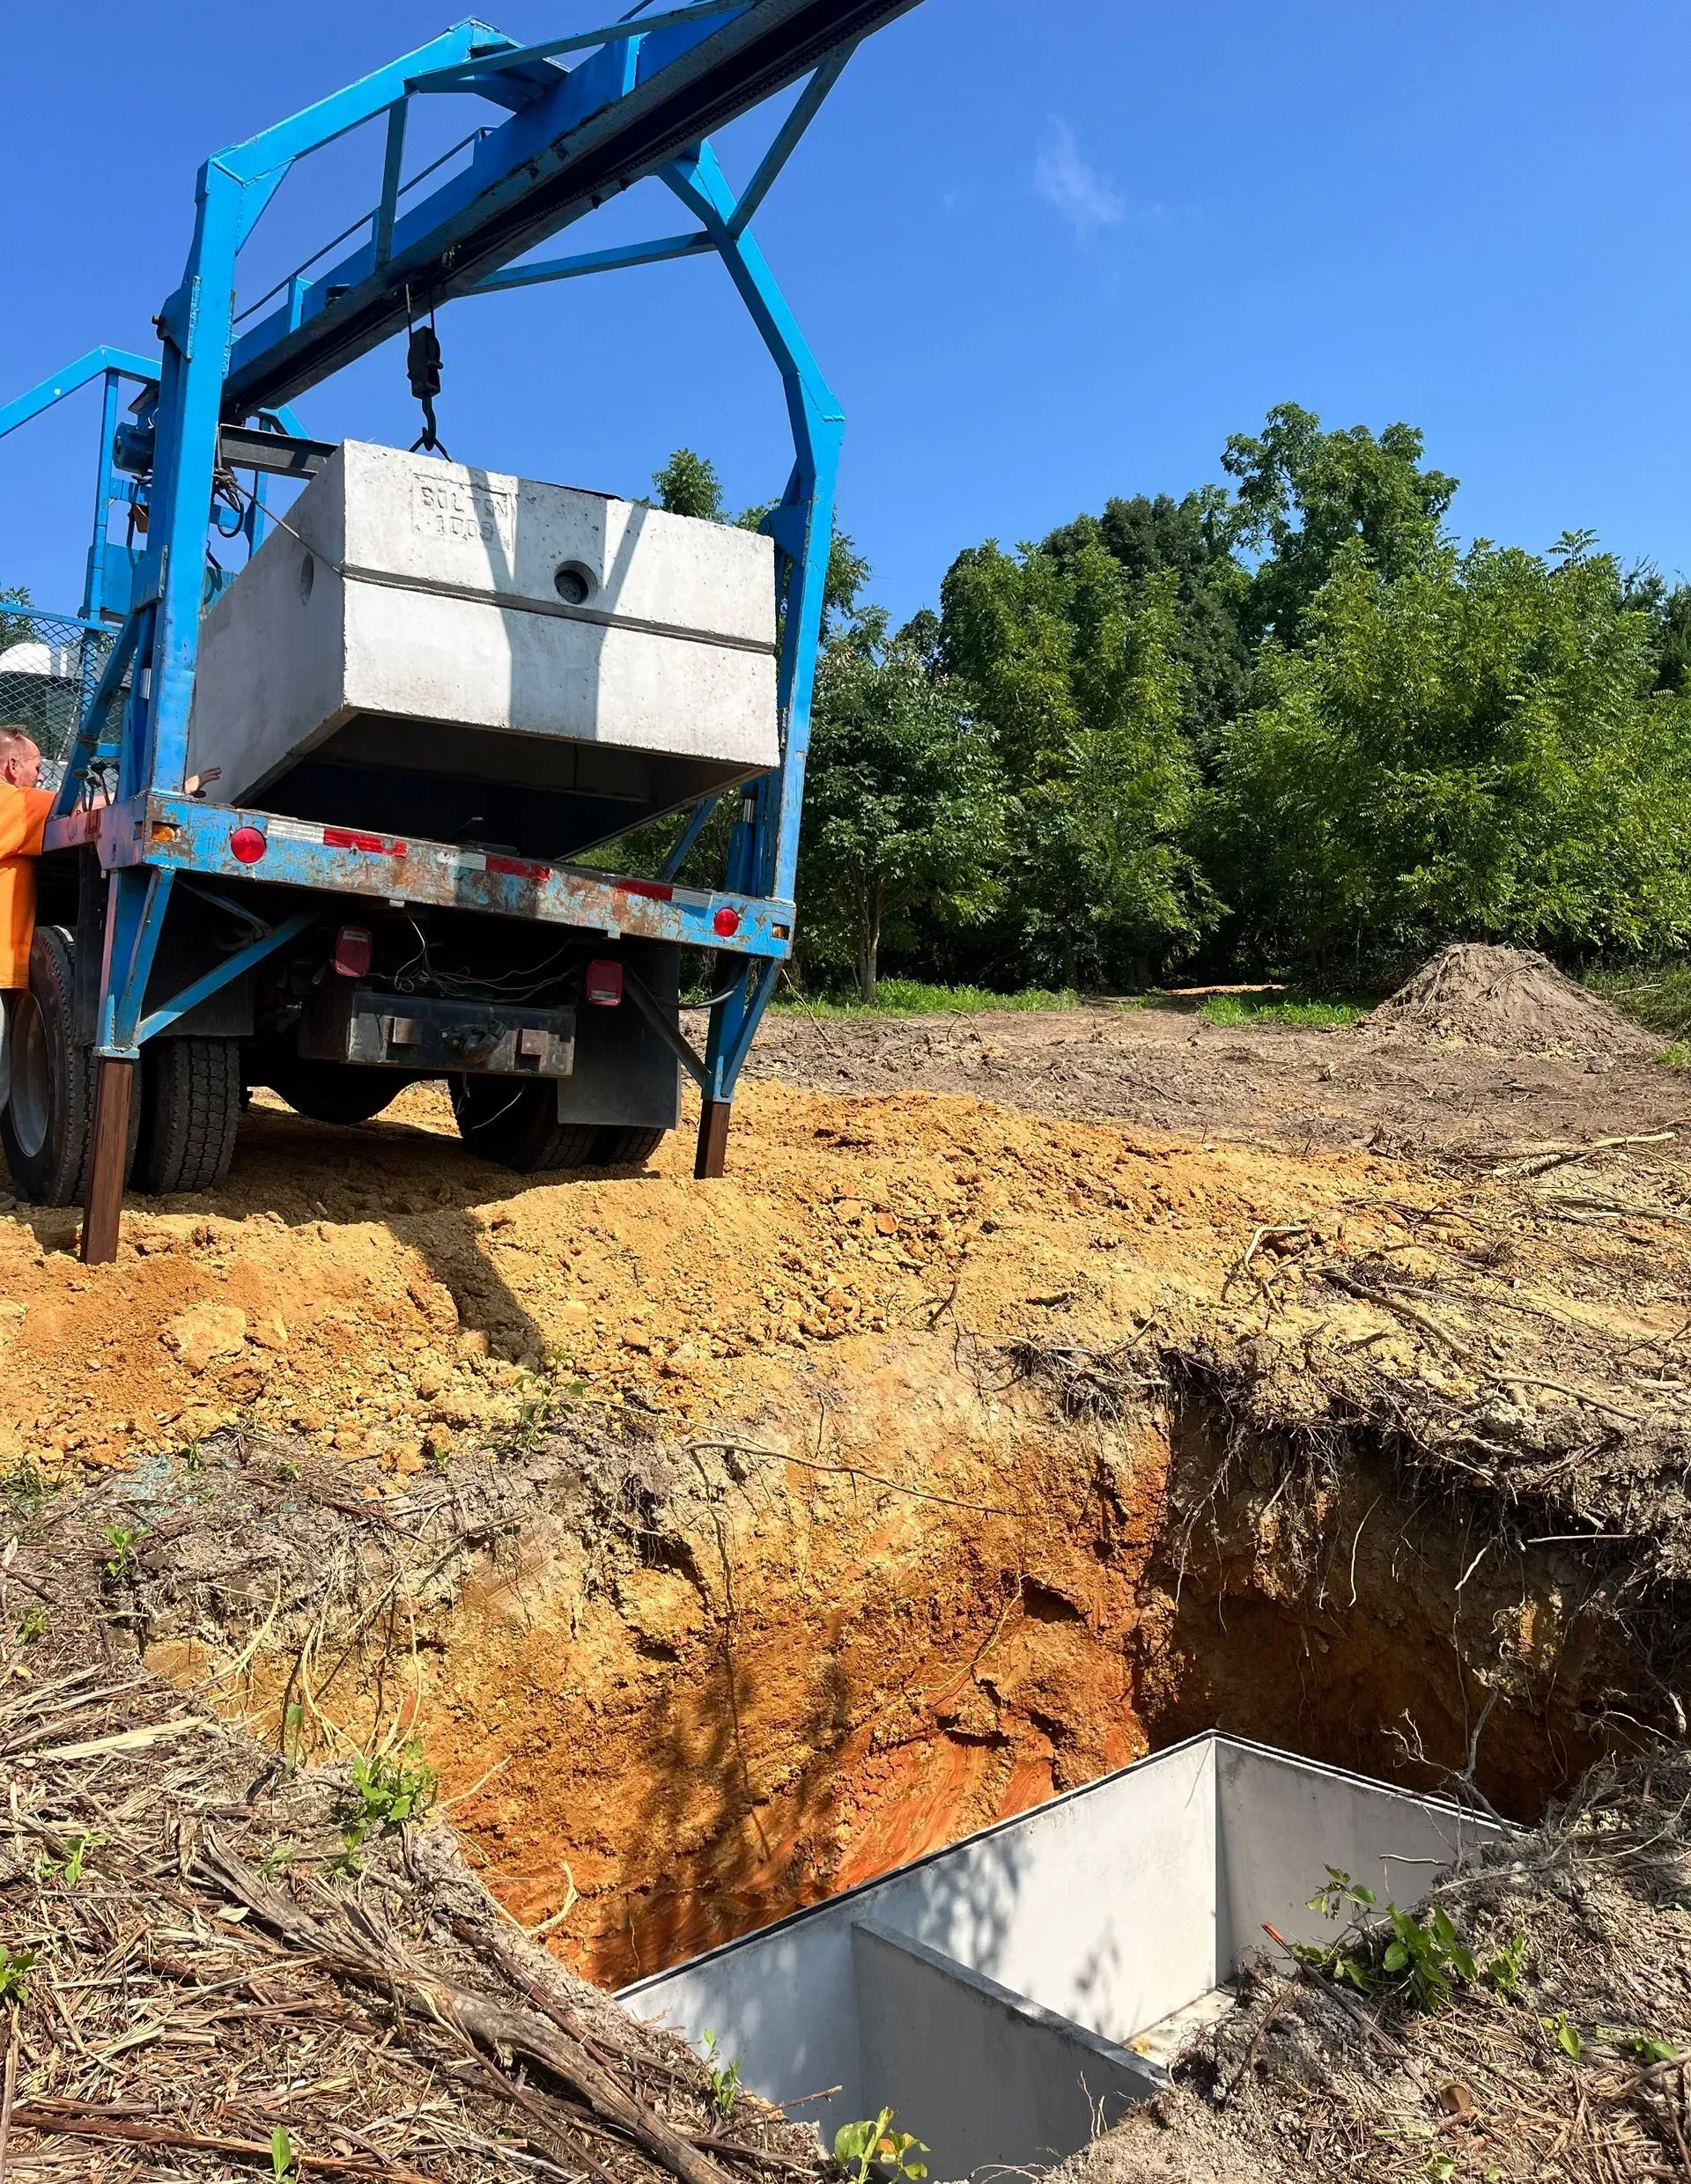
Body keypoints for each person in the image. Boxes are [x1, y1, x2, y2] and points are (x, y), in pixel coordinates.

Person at [0, 725, 55, 1113]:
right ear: (13, 765)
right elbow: (88, 807)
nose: (41, 778)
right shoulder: (14, 803)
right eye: (38, 768)